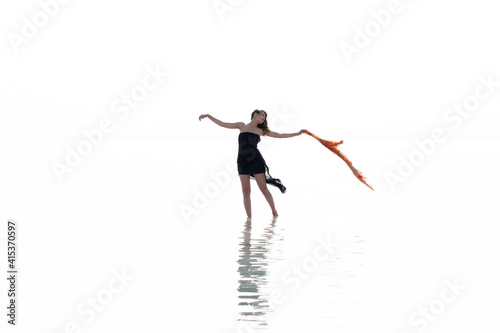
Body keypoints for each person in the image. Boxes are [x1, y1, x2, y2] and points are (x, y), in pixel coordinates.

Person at [199, 109, 306, 221]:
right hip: (242, 162)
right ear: (255, 114)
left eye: (265, 117)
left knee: (263, 189)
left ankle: (274, 212)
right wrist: (208, 116)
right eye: (263, 115)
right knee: (246, 192)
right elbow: (223, 124)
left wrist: (297, 133)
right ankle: (249, 219)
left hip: (255, 161)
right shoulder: (241, 126)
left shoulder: (261, 130)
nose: (264, 118)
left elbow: (279, 135)